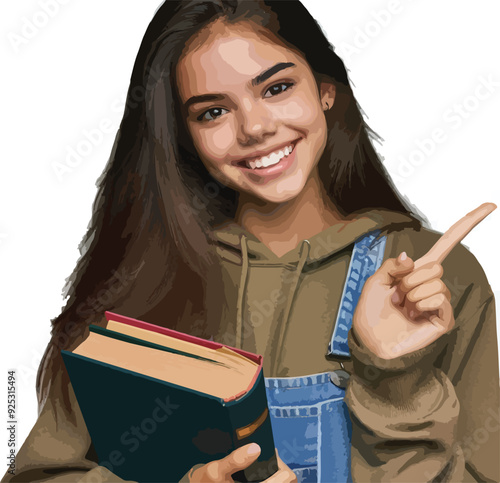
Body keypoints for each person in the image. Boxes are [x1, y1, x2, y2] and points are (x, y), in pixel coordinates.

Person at [2, 1, 498, 482]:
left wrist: (395, 382)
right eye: (213, 112)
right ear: (183, 136)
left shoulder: (434, 279)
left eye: (277, 87)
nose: (255, 128)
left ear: (326, 90)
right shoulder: (142, 278)